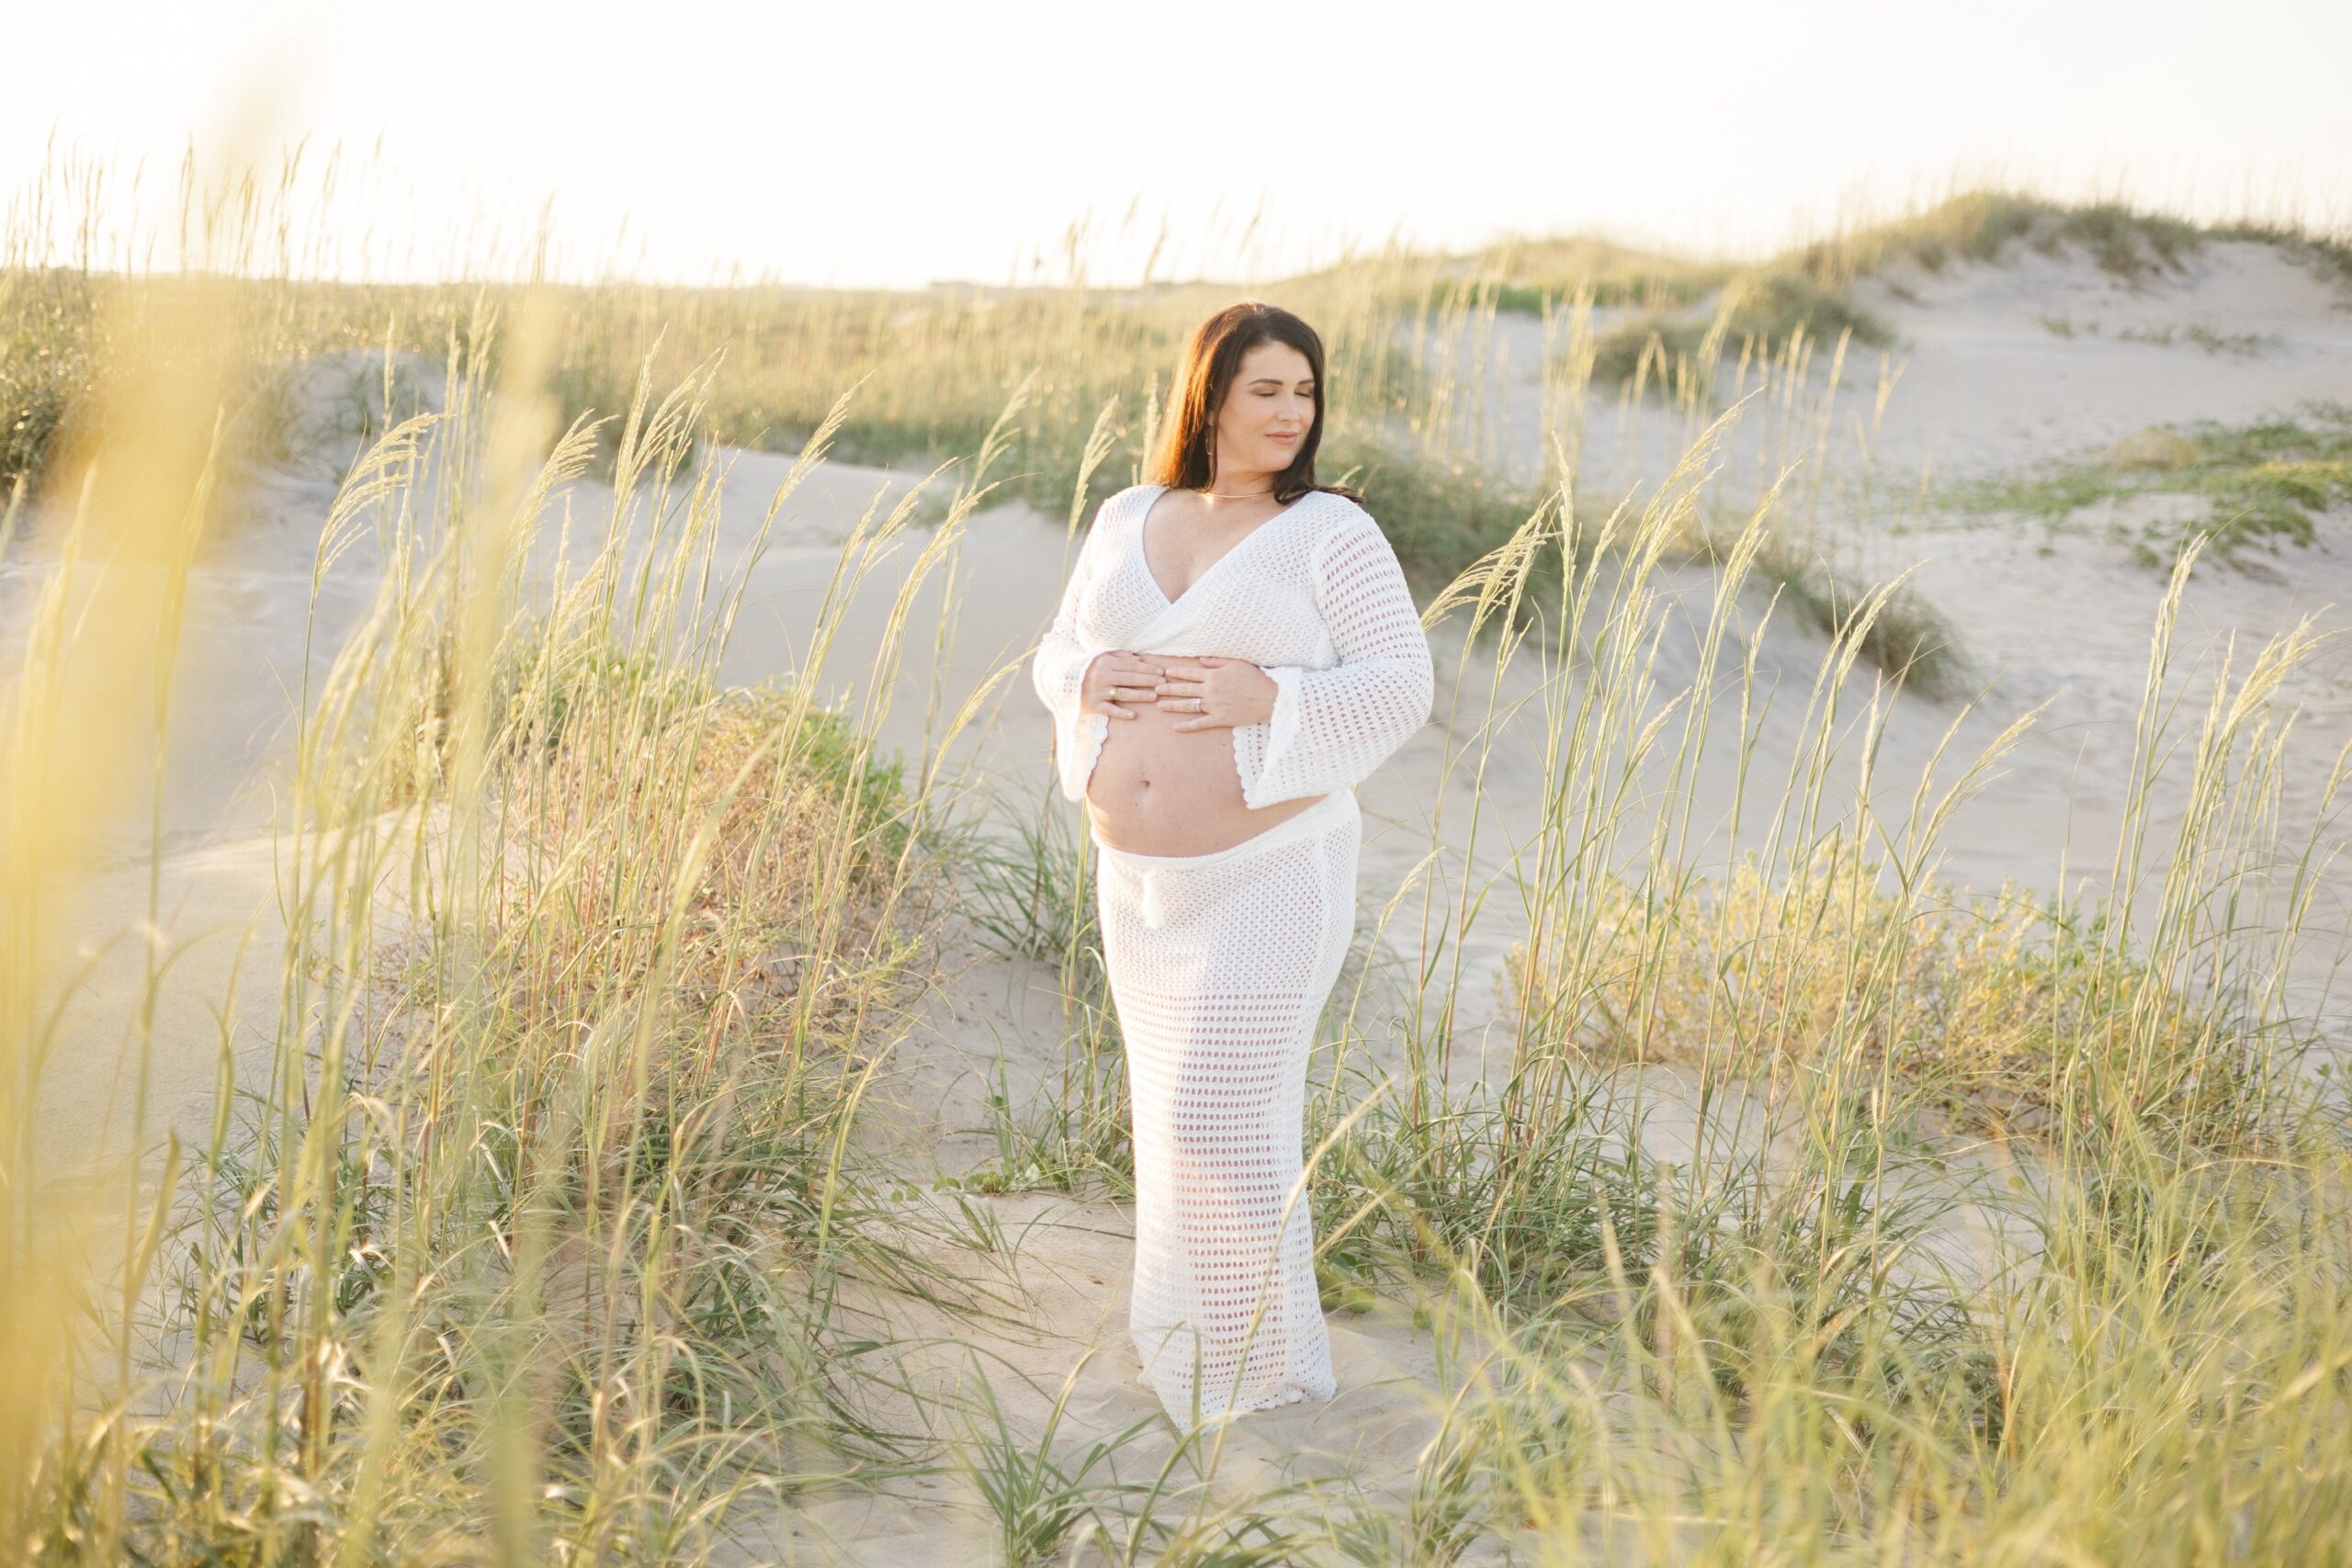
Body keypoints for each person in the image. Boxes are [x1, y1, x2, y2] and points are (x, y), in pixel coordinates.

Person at [1030, 300, 1434, 1424]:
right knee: (1168, 1116)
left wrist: (1273, 697)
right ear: (1209, 396)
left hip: (1271, 871)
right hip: (1138, 887)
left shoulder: (1329, 535)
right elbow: (1056, 650)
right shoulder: (1126, 514)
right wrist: (1088, 677)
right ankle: (1187, 1347)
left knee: (1218, 1112)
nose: (1291, 414)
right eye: (1268, 390)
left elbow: (1403, 683)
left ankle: (1266, 1375)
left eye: (1305, 392)